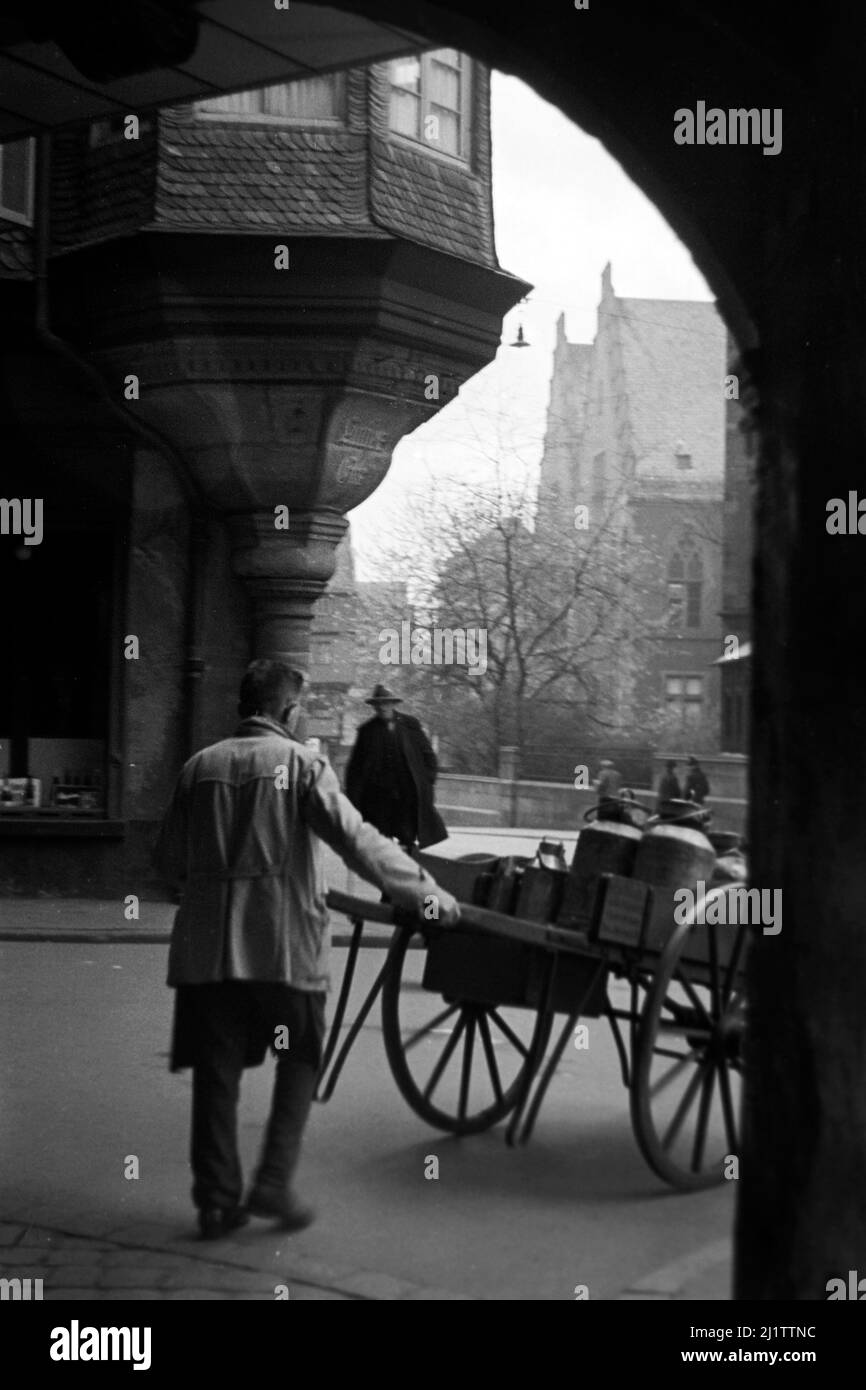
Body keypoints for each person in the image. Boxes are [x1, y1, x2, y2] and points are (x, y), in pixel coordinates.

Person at [154, 659, 459, 1241]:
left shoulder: (199, 767)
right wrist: (429, 897)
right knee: (299, 1058)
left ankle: (217, 1203)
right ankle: (271, 1182)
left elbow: (168, 861)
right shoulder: (300, 764)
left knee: (215, 1075)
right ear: (288, 712)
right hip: (281, 951)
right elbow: (357, 842)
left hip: (207, 955)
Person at [345, 684, 447, 854]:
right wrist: (353, 798)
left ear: (393, 704)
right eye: (378, 704)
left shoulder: (410, 725)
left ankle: (410, 871)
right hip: (378, 797)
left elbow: (428, 755)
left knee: (407, 836)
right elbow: (355, 769)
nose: (382, 707)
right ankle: (388, 875)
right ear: (374, 707)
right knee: (381, 841)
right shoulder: (367, 731)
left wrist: (427, 782)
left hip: (407, 793)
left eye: (386, 703)